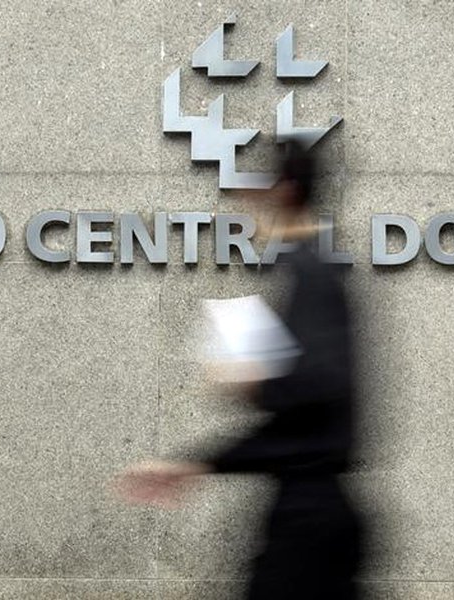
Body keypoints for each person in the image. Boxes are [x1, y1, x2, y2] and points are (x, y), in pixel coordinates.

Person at [117, 141, 364, 599]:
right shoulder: (307, 272)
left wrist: (257, 382)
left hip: (310, 523)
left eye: (260, 190)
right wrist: (194, 464)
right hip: (311, 515)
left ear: (286, 190)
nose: (249, 206)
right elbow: (301, 421)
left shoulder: (312, 274)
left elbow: (320, 389)